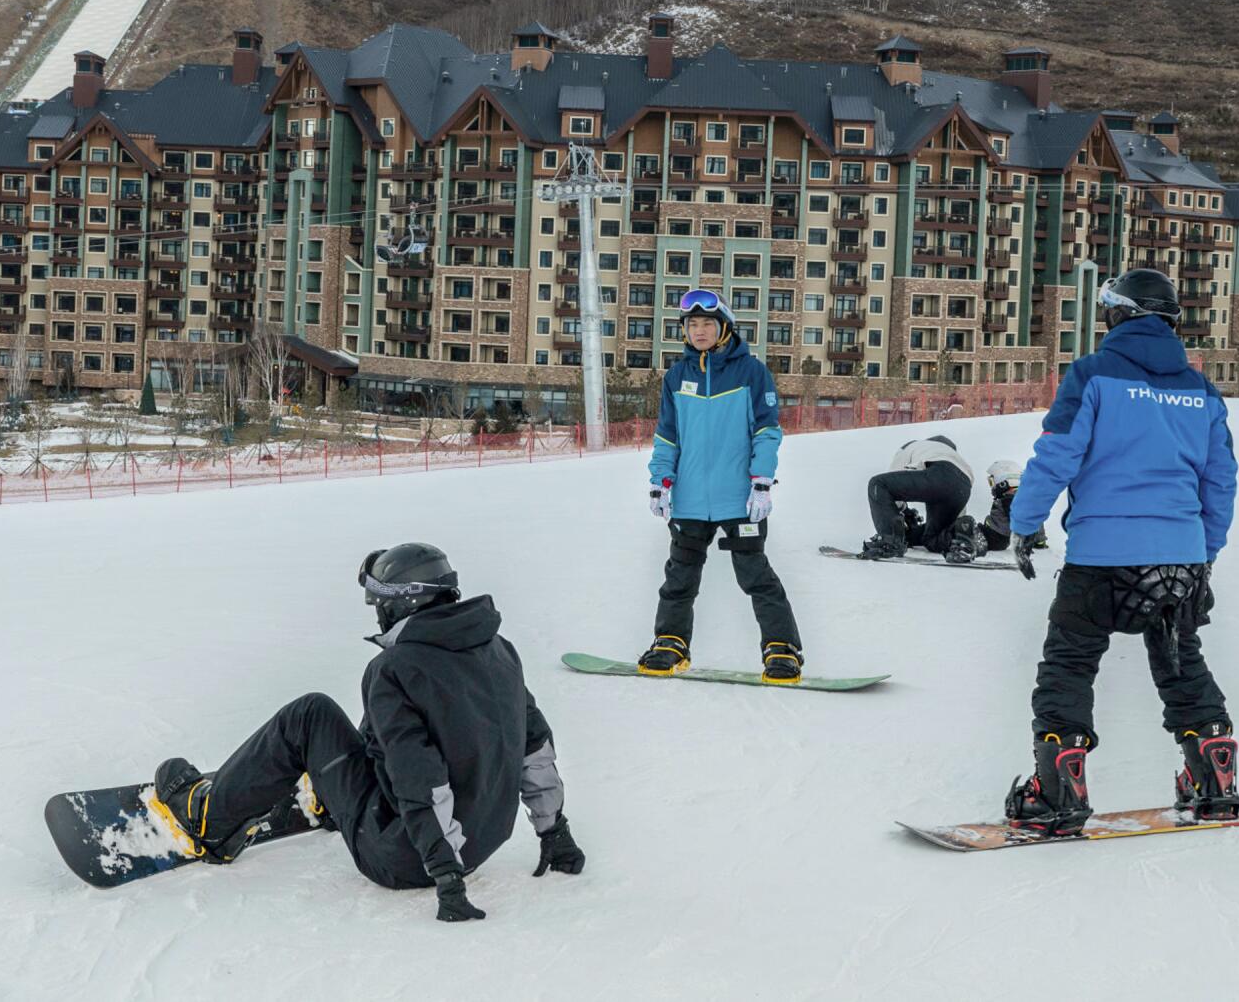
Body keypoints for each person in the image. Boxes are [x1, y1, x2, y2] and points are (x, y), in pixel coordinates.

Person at [149, 542, 583, 922]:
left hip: (408, 857)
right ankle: (331, 795)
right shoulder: (498, 651)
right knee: (391, 722)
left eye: (379, 602)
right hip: (479, 842)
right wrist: (554, 831)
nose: (377, 612)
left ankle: (206, 819)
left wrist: (446, 875)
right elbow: (534, 747)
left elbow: (419, 776)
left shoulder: (395, 669)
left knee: (311, 713)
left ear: (401, 604)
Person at [1001, 269, 1239, 837]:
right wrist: (1202, 555)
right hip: (1180, 556)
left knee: (1070, 661)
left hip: (1103, 555)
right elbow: (1221, 480)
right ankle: (1214, 774)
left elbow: (1056, 455)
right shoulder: (1201, 390)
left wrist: (1024, 524)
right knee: (1181, 660)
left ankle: (1055, 788)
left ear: (1118, 315)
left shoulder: (1092, 374)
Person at [642, 289, 803, 684]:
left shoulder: (751, 372)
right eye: (692, 325)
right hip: (690, 500)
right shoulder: (677, 377)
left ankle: (782, 650)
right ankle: (671, 643)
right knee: (680, 577)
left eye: (707, 324)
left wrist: (761, 482)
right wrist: (660, 483)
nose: (699, 331)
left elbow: (767, 430)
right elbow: (667, 437)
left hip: (739, 499)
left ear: (724, 327)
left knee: (756, 576)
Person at [861, 435, 982, 564]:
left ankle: (890, 542)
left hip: (939, 472)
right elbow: (958, 507)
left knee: (878, 484)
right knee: (932, 539)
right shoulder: (956, 458)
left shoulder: (915, 445)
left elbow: (892, 481)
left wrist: (901, 512)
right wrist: (961, 525)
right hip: (963, 485)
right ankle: (962, 538)